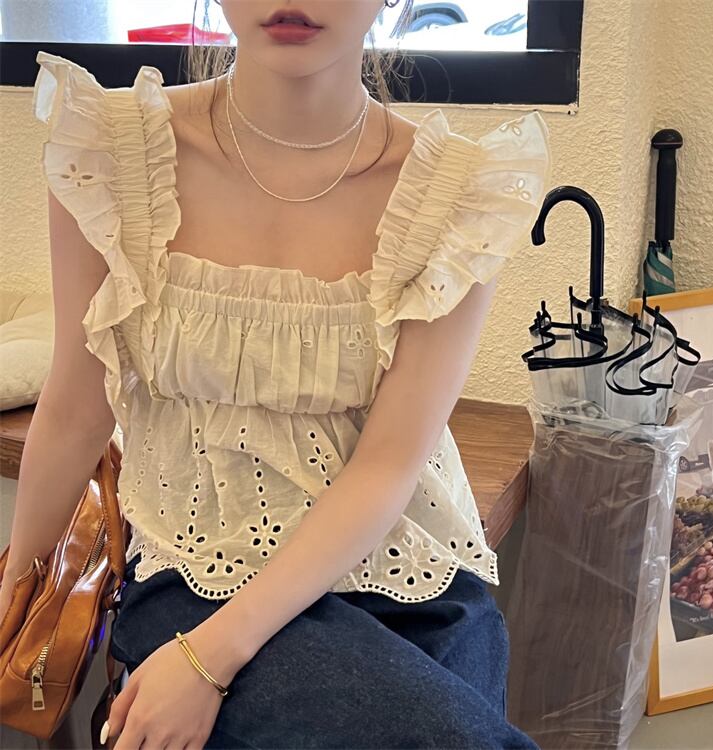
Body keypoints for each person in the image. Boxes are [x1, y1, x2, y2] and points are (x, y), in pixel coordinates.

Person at [3, 1, 551, 747]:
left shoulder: (456, 192)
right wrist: (17, 584)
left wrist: (208, 662)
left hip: (410, 575)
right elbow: (76, 404)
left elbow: (390, 462)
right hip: (199, 568)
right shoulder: (112, 150)